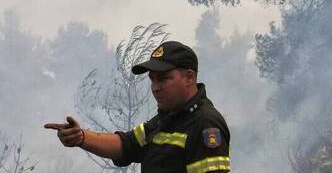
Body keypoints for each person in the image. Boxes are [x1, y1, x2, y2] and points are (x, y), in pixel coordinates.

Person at [45, 41, 231, 173]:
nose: (155, 88)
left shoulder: (205, 124)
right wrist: (81, 137)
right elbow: (125, 145)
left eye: (163, 79)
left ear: (189, 77)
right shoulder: (166, 119)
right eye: (152, 79)